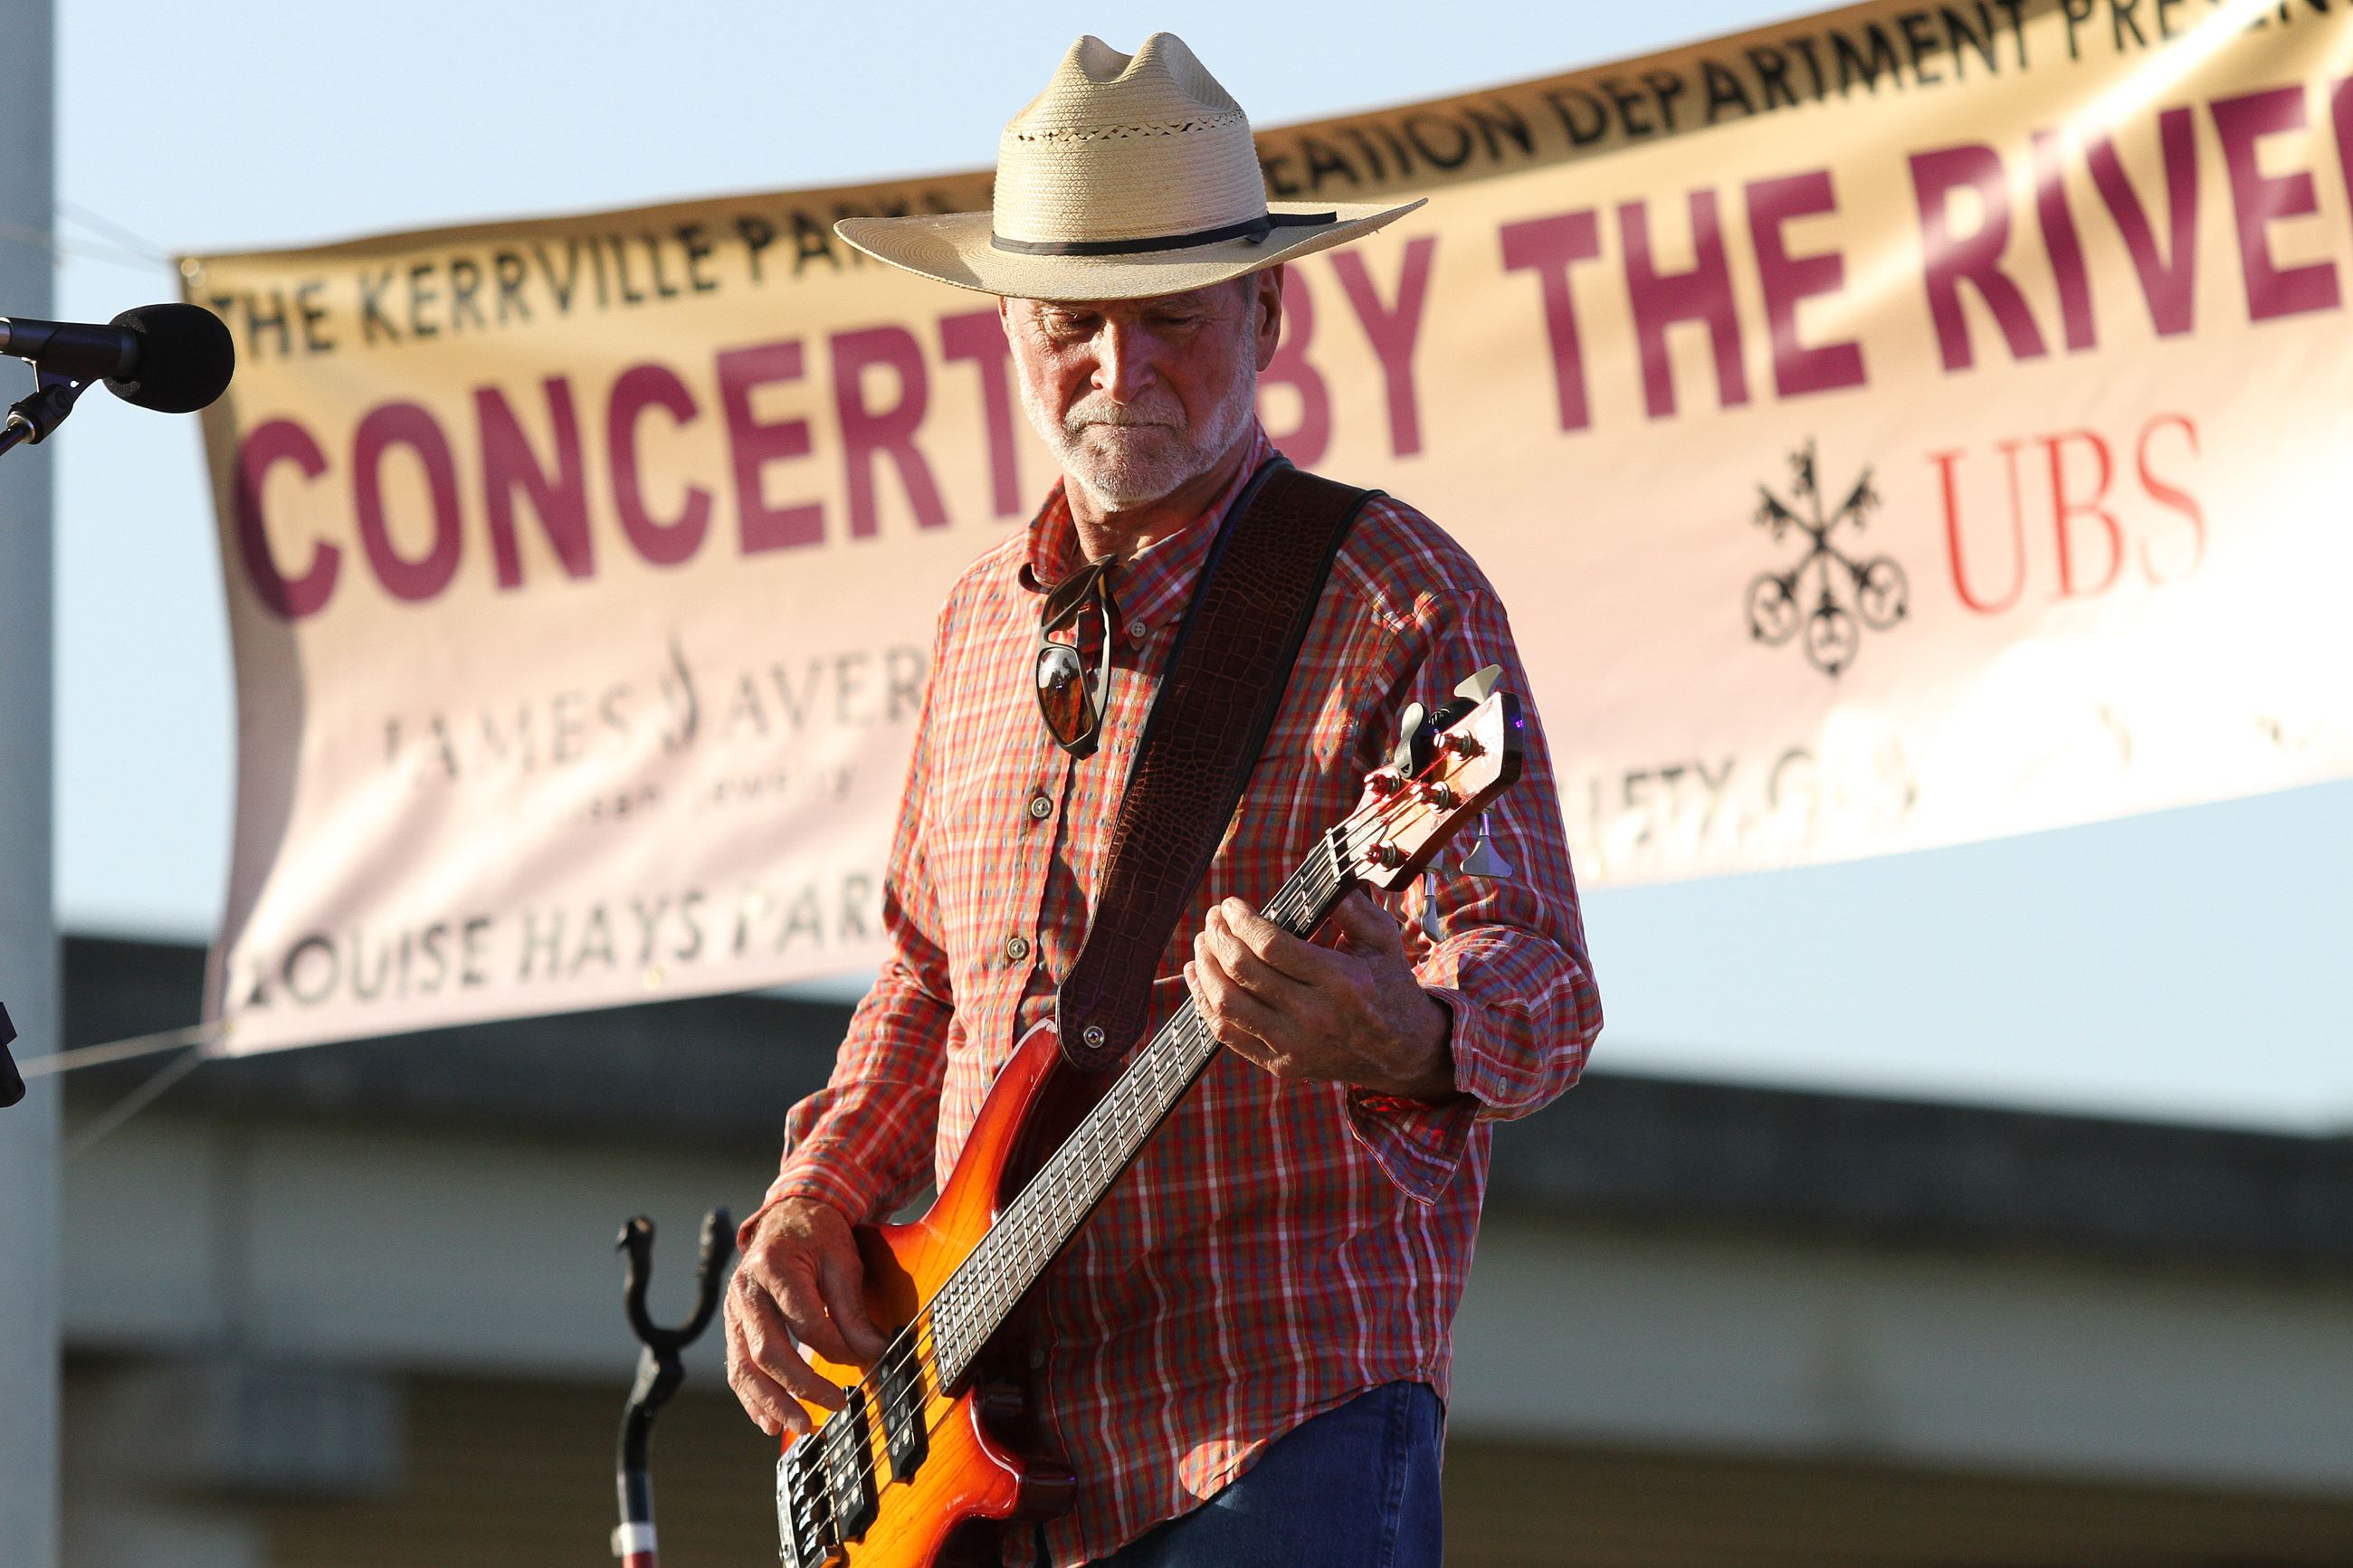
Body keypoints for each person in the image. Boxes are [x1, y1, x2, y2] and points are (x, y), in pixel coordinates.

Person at [724, 33, 1602, 1568]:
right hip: (980, 1467)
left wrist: (1394, 1028)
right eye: (1075, 326)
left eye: (1174, 323)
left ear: (1270, 307)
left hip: (1274, 1420)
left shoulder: (1393, 595)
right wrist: (812, 1199)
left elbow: (1539, 985)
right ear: (1007, 326)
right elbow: (927, 978)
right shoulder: (978, 621)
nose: (1122, 374)